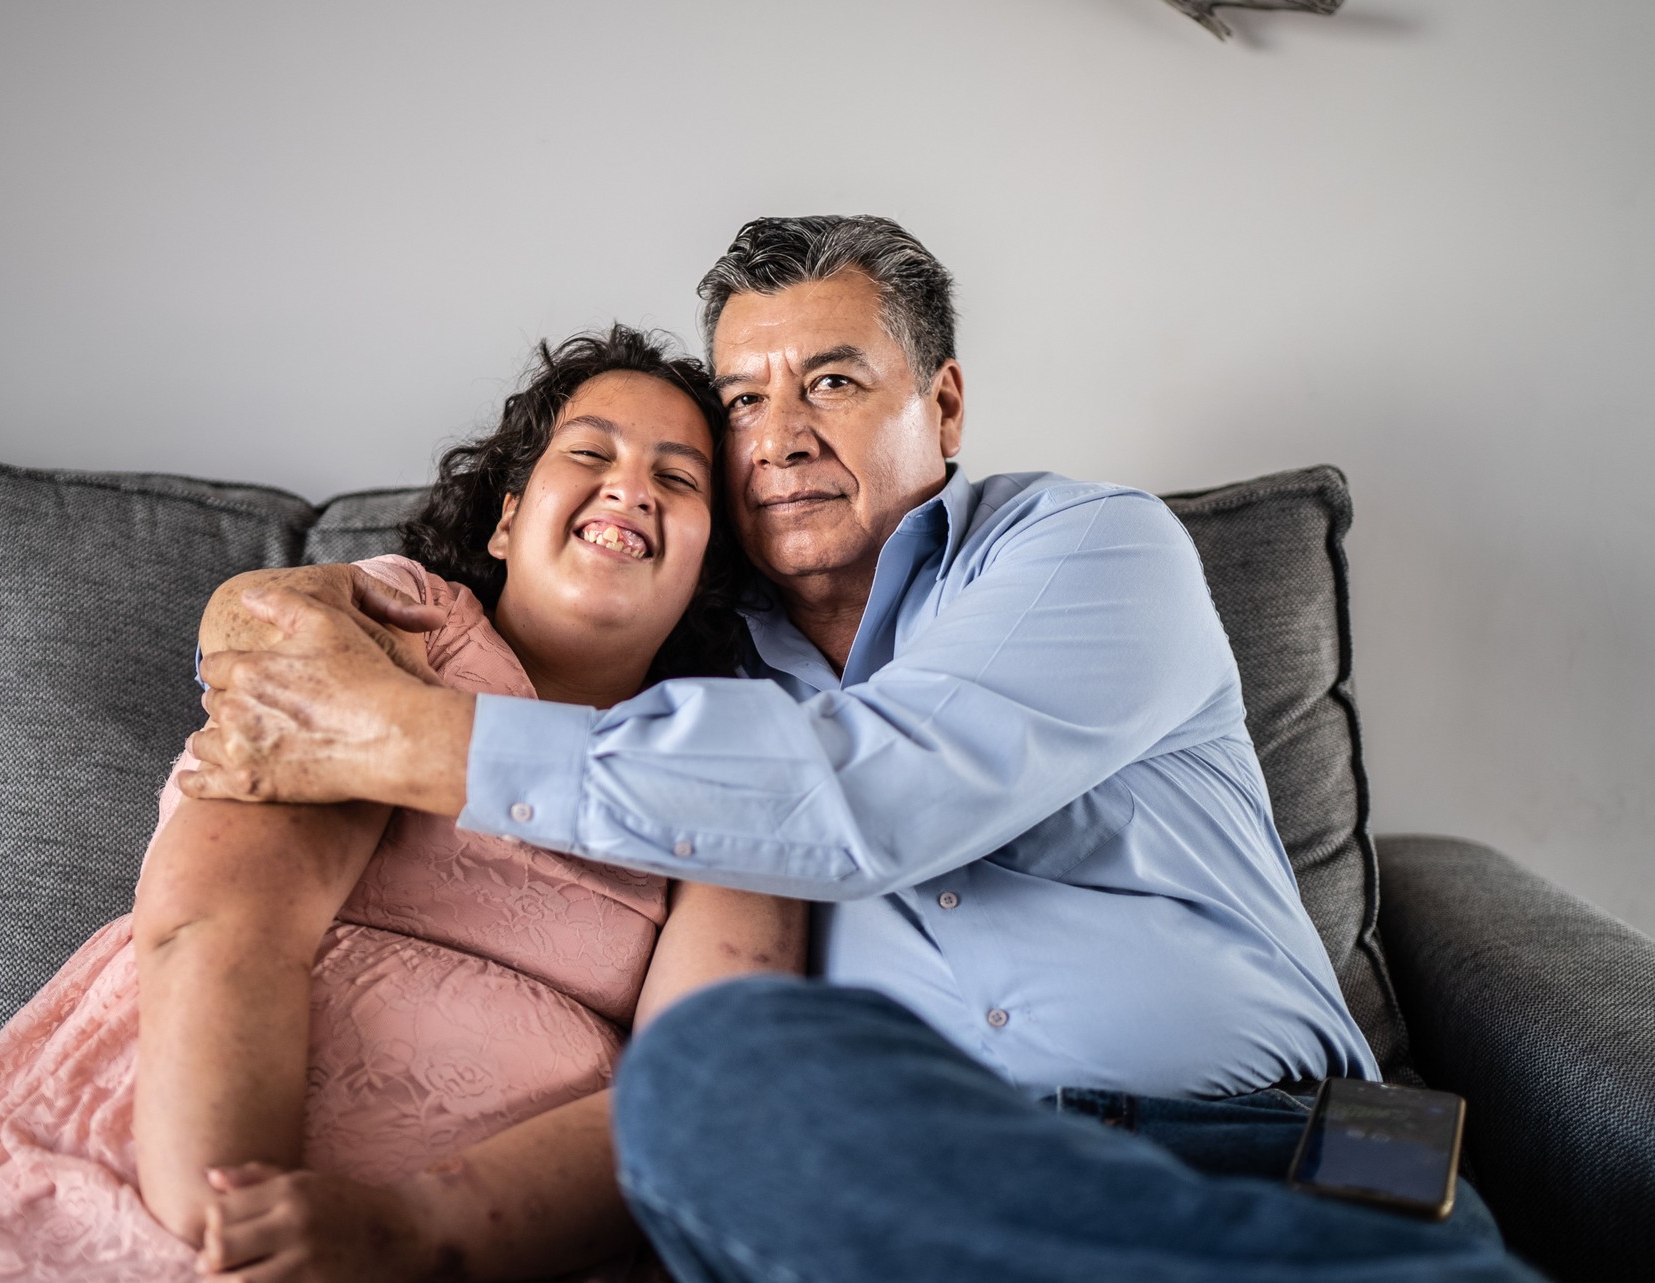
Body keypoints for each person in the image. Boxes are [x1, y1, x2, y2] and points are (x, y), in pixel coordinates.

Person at [186, 216, 1543, 1281]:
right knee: (710, 1072)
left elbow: (874, 792)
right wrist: (270, 601)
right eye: (742, 401)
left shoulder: (1088, 548)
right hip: (915, 1193)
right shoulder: (698, 664)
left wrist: (436, 743)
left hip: (1282, 1141)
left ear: (943, 405)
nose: (778, 437)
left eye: (833, 380)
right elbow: (436, 614)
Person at [0, 327, 803, 1283]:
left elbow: (691, 1092)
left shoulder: (733, 759)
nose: (632, 484)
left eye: (679, 475)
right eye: (591, 452)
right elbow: (226, 919)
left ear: (710, 560)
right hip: (193, 1148)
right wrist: (235, 1222)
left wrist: (414, 1231)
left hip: (485, 1233)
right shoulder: (398, 625)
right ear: (505, 516)